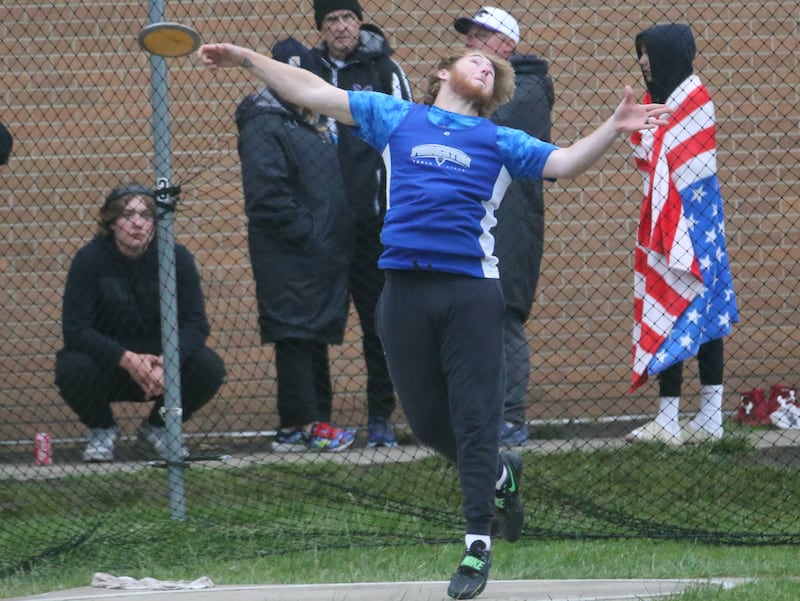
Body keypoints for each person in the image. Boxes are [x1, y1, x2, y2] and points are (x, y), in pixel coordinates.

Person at [197, 41, 670, 599]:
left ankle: (476, 545)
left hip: (470, 293)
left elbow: (562, 162)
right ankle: (501, 474)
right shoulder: (398, 117)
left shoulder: (498, 140)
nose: (484, 68)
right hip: (402, 294)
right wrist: (250, 59)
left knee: (474, 422)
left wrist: (613, 126)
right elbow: (315, 92)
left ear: (494, 92)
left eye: (493, 71)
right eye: (475, 59)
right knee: (425, 424)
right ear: (443, 72)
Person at [293, 0, 414, 447]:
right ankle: (318, 421)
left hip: (373, 223)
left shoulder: (385, 71)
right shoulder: (309, 69)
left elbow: (407, 134)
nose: (340, 27)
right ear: (321, 30)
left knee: (378, 323)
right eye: (331, 21)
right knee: (318, 322)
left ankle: (381, 415)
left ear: (359, 23)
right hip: (321, 224)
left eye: (347, 18)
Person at [235, 39, 355, 452]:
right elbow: (267, 197)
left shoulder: (304, 122)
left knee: (310, 336)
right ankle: (299, 427)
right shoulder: (265, 122)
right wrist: (310, 233)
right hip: (290, 257)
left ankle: (314, 423)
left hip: (315, 258)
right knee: (295, 335)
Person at [625, 24, 738, 446]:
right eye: (639, 54)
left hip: (693, 225)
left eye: (647, 53)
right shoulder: (660, 102)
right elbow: (649, 156)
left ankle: (710, 416)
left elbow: (678, 161)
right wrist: (642, 123)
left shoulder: (694, 100)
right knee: (669, 308)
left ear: (667, 53)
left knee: (703, 311)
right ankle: (668, 417)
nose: (641, 61)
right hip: (667, 223)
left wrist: (647, 125)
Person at [55, 184, 226, 462]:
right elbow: (75, 329)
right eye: (127, 215)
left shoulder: (175, 257)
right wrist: (126, 359)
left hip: (160, 366)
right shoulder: (90, 259)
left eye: (146, 215)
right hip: (108, 362)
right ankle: (102, 429)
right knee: (71, 367)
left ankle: (158, 429)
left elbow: (196, 324)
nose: (137, 223)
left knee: (208, 366)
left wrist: (168, 361)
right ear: (111, 223)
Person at [454, 7, 554, 446]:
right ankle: (478, 415)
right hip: (477, 219)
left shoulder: (527, 88)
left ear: (506, 45)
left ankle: (510, 417)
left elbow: (478, 135)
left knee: (504, 314)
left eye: (482, 35)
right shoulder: (483, 89)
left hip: (510, 222)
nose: (472, 42)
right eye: (470, 35)